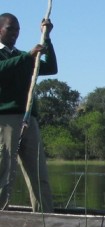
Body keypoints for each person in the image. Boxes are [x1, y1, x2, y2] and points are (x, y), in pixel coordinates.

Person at [0, 13, 57, 212]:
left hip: (28, 119)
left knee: (39, 174)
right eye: (10, 29)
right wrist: (27, 56)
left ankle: (45, 220)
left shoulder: (21, 56)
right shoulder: (18, 57)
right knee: (4, 173)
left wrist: (46, 37)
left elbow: (50, 67)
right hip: (6, 120)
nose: (15, 33)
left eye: (17, 30)